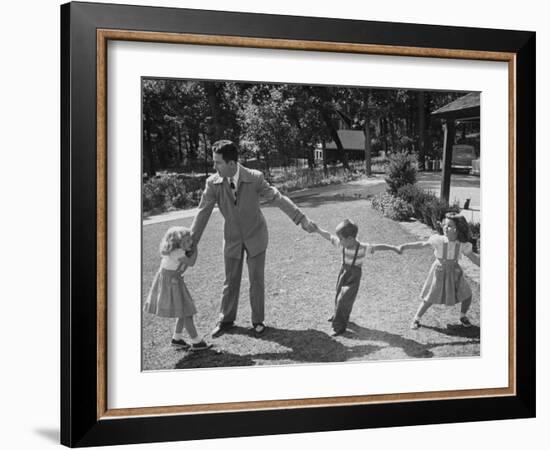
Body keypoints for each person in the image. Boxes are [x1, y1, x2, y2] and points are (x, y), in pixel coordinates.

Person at [190, 140, 316, 337]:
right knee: (230, 281)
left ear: (232, 164)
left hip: (256, 236)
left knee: (256, 280)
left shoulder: (255, 178)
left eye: (218, 163)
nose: (214, 167)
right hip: (232, 238)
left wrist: (301, 219)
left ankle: (258, 321)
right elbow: (202, 213)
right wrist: (191, 242)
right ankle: (226, 320)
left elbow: (278, 198)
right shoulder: (212, 183)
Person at [314, 219, 401, 336]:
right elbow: (329, 236)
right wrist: (317, 229)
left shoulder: (362, 247)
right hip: (343, 273)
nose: (339, 241)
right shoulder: (342, 244)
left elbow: (378, 247)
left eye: (341, 239)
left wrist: (393, 248)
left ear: (350, 239)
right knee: (338, 294)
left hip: (354, 277)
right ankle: (337, 314)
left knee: (344, 300)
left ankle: (338, 327)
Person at [399, 213, 480, 329]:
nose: (445, 228)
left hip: (455, 272)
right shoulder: (438, 240)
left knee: (467, 295)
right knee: (431, 297)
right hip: (439, 271)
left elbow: (474, 258)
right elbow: (422, 244)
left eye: (450, 226)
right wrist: (405, 246)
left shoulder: (462, 244)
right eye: (444, 225)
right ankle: (416, 318)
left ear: (458, 229)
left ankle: (463, 316)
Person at [143, 226, 212, 351]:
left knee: (183, 311)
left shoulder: (176, 250)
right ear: (176, 243)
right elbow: (191, 263)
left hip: (174, 281)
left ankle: (177, 339)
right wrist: (195, 248)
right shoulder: (177, 252)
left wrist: (191, 245)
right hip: (172, 283)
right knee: (187, 313)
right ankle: (197, 342)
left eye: (190, 240)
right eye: (186, 242)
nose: (190, 243)